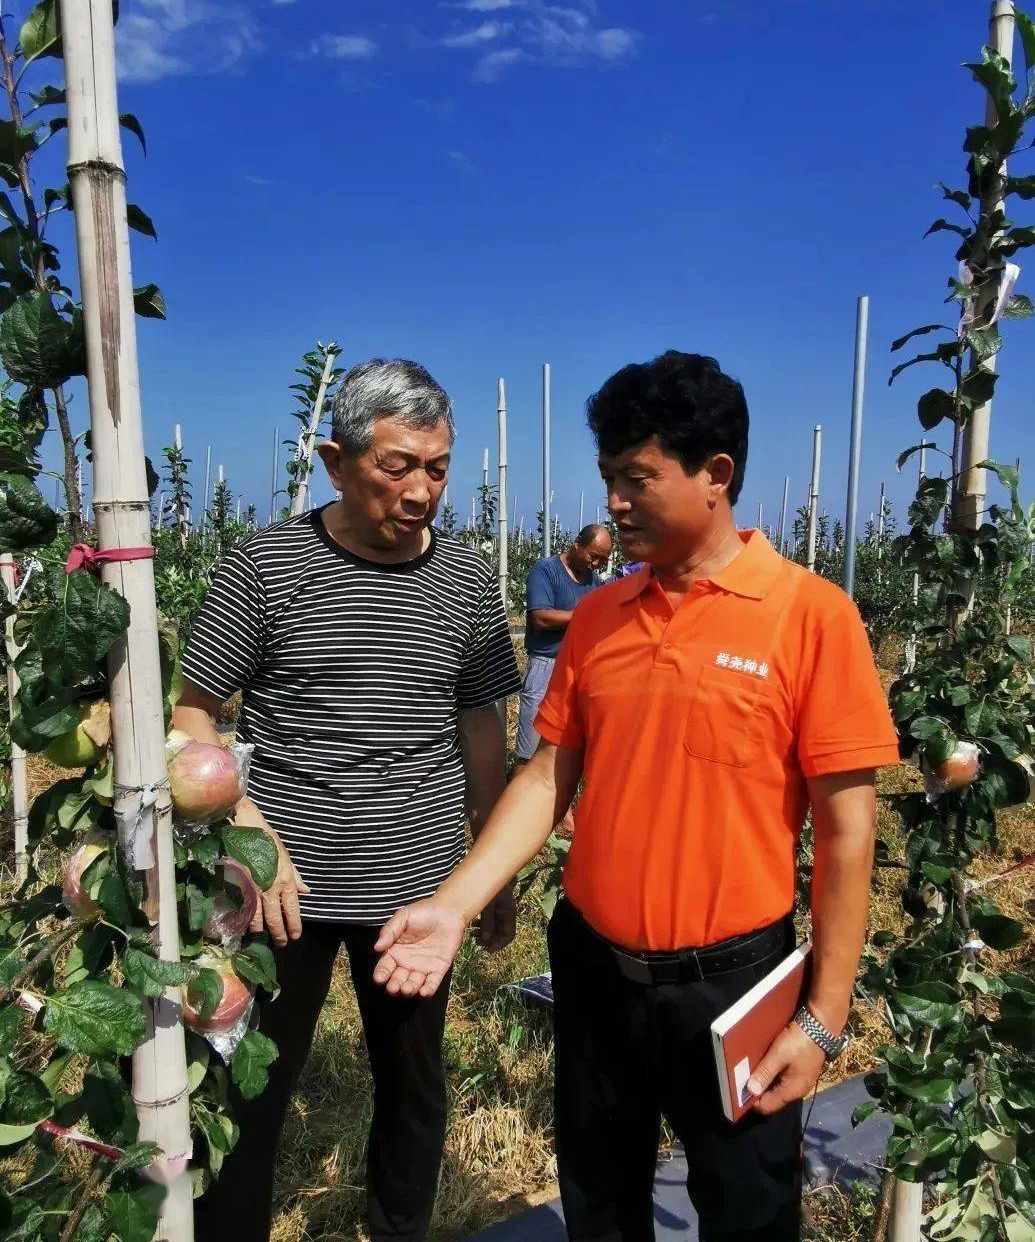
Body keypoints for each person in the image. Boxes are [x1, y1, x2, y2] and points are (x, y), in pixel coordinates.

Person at [370, 351, 900, 1242]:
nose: (613, 502)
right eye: (608, 477)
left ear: (715, 475)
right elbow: (546, 776)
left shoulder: (809, 617)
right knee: (600, 1198)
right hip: (594, 972)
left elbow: (848, 830)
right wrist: (454, 903)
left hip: (732, 987)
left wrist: (823, 1017)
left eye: (635, 478)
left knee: (745, 1207)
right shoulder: (603, 619)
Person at [177, 358, 521, 1242]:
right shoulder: (266, 565)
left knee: (412, 1083)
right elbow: (192, 714)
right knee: (249, 1080)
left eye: (438, 467)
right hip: (278, 893)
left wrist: (489, 871)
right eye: (397, 465)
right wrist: (253, 834)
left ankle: (398, 1226)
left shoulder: (467, 580)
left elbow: (481, 724)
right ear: (336, 460)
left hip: (413, 884)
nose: (422, 490)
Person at [516, 524, 612, 766]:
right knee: (529, 748)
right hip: (545, 665)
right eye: (593, 556)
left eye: (602, 560)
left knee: (563, 748)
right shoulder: (546, 570)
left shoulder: (593, 580)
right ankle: (519, 791)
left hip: (577, 667)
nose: (596, 565)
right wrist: (585, 614)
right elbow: (540, 617)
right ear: (577, 544)